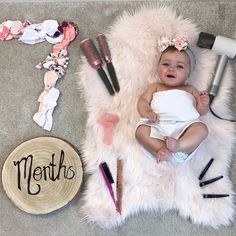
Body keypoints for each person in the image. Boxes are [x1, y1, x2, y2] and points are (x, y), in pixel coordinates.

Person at [135, 36, 209, 164]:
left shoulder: (190, 89)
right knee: (140, 131)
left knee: (202, 129)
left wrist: (203, 103)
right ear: (157, 68)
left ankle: (179, 146)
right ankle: (162, 149)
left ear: (188, 74)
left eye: (179, 67)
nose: (171, 69)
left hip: (185, 126)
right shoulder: (155, 87)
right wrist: (146, 113)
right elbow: (142, 101)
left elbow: (201, 112)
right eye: (165, 64)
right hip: (158, 124)